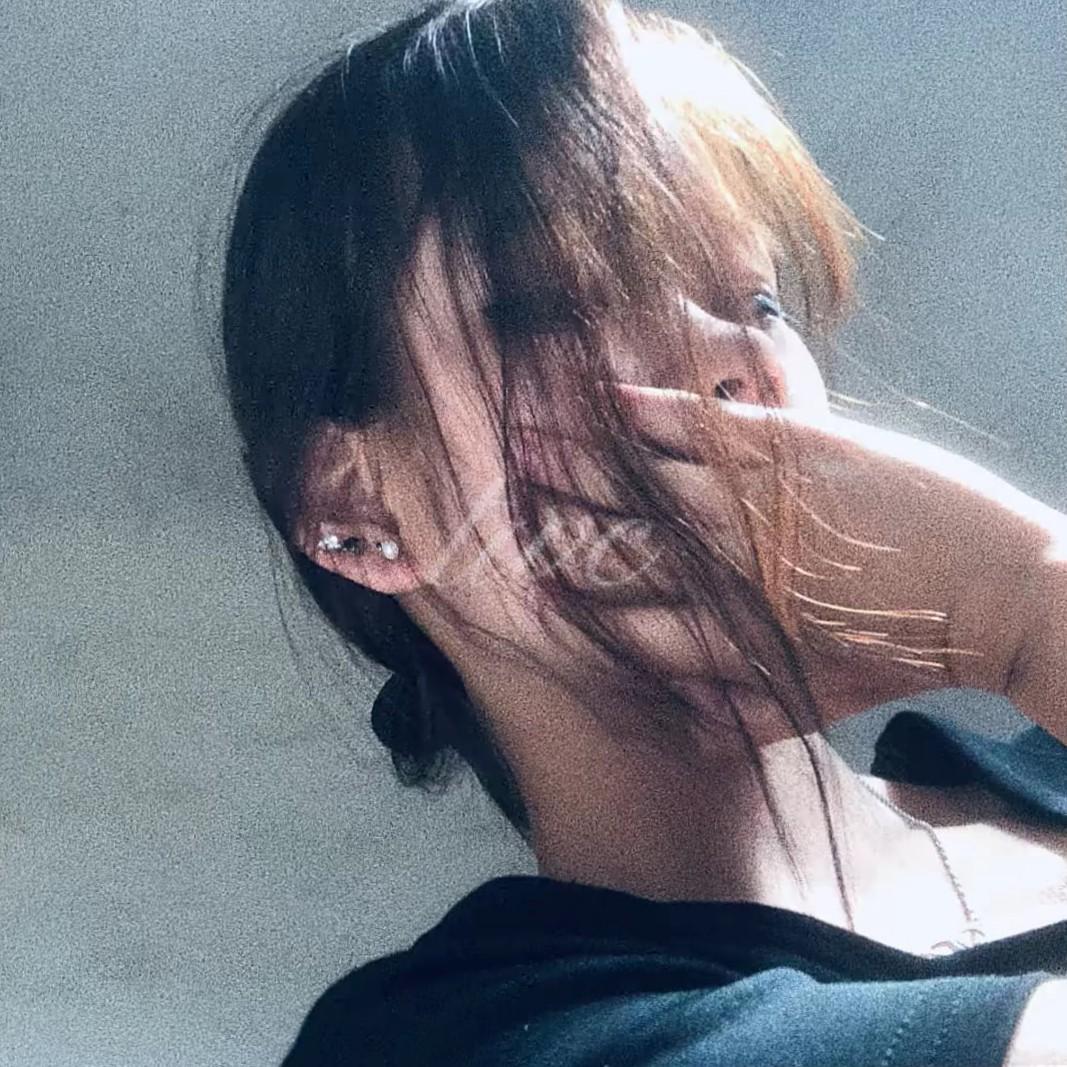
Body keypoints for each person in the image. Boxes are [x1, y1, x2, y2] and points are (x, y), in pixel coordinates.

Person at [217, 0, 1067, 1061]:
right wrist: (1021, 609)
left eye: (755, 302)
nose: (728, 358)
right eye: (546, 305)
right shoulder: (452, 1034)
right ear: (354, 503)